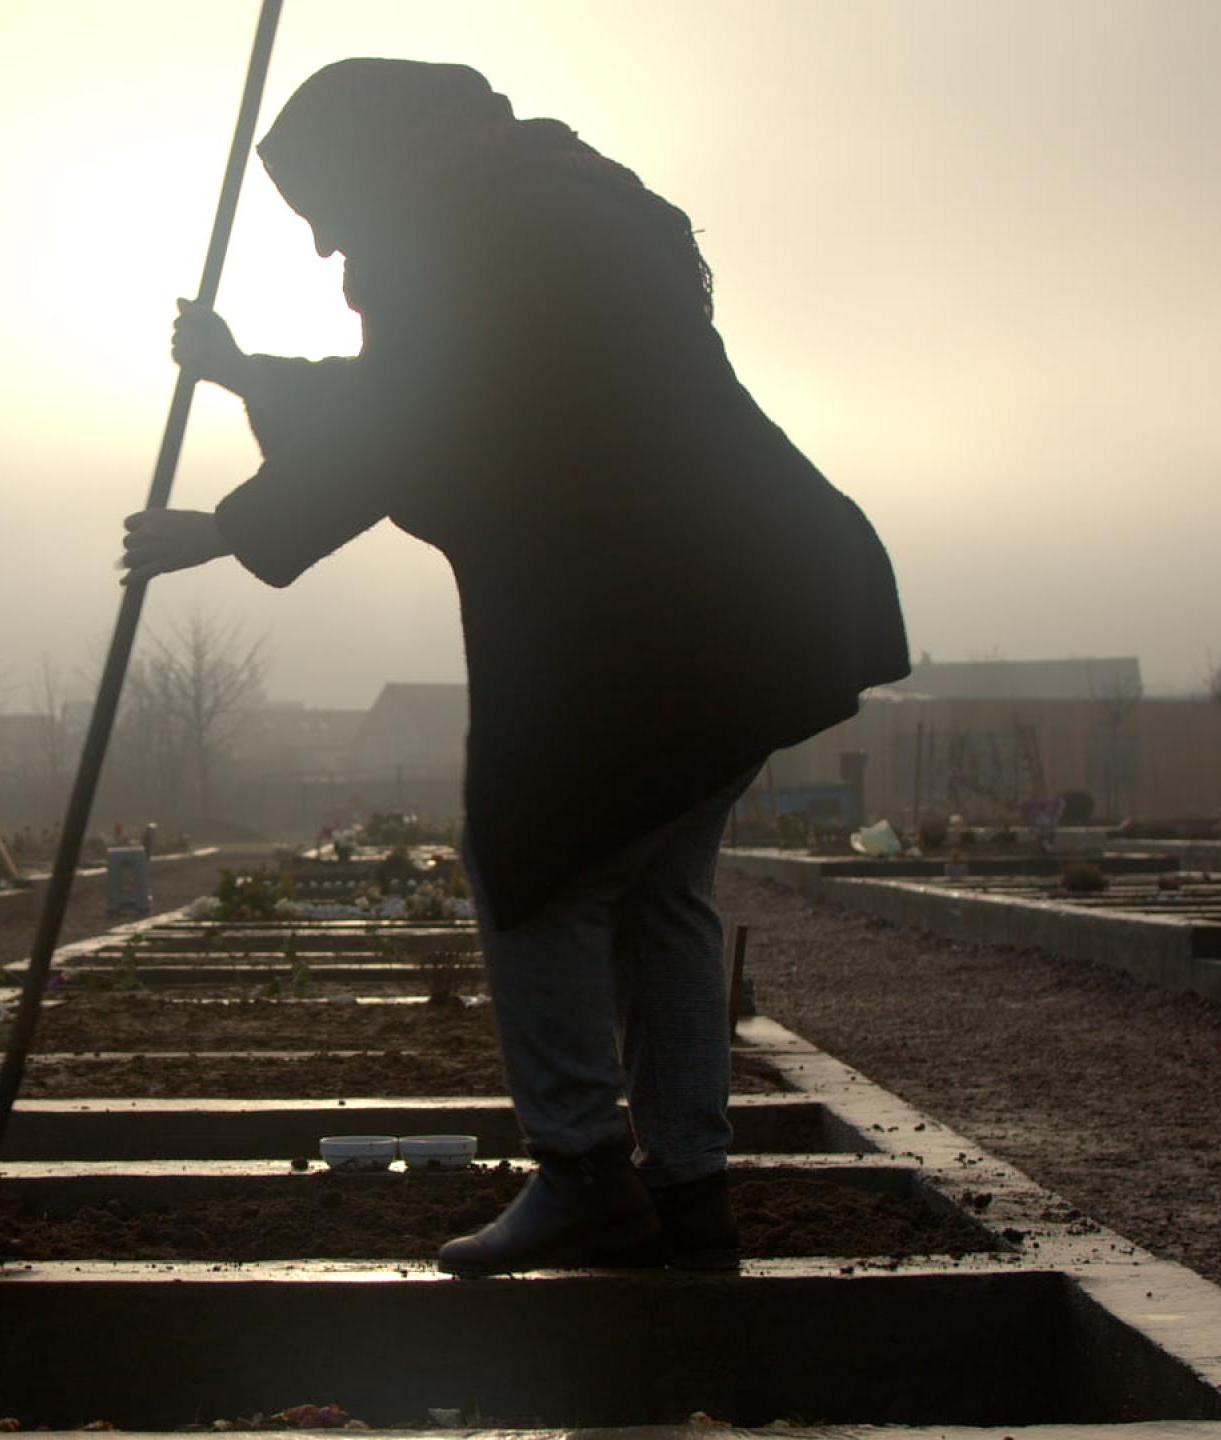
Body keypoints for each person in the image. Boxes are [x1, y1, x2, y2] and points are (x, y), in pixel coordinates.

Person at [122, 59, 908, 1275]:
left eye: (326, 206)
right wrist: (246, 374)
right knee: (655, 895)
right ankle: (688, 1194)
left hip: (647, 620)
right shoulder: (543, 197)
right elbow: (444, 392)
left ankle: (585, 1173)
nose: (329, 245)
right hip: (755, 594)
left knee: (532, 863)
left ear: (375, 163)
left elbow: (416, 418)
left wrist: (223, 531)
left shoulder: (468, 232)